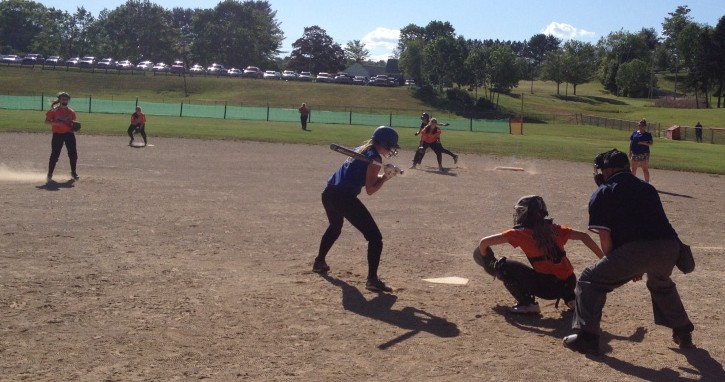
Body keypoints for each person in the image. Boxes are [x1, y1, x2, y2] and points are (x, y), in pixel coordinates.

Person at [563, 148, 694, 355]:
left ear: (609, 170)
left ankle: (586, 338)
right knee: (660, 284)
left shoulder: (604, 192)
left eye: (602, 170)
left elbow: (606, 238)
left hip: (638, 250)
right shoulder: (647, 188)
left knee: (589, 280)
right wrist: (631, 263)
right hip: (670, 247)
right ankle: (683, 331)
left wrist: (621, 264)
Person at [474, 195, 604, 314]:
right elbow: (584, 236)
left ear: (527, 213)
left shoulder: (521, 232)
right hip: (570, 283)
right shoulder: (555, 228)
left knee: (503, 266)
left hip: (548, 289)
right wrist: (604, 259)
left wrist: (487, 260)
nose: (518, 214)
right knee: (558, 268)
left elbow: (483, 243)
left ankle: (527, 304)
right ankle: (571, 298)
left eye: (520, 211)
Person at [312, 126, 401, 293]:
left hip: (329, 194)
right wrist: (386, 177)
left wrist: (384, 175)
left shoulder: (361, 149)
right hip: (343, 198)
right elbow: (370, 190)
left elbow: (367, 180)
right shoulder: (373, 159)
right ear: (385, 143)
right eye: (391, 145)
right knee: (375, 238)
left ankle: (319, 262)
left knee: (334, 227)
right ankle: (372, 280)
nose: (391, 149)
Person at [44, 91, 79, 182]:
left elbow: (73, 123)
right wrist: (56, 122)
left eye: (66, 99)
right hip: (57, 134)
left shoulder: (71, 112)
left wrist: (74, 127)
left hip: (69, 134)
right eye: (63, 99)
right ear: (59, 100)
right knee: (55, 155)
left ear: (68, 100)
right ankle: (50, 173)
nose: (65, 100)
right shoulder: (54, 110)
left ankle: (73, 172)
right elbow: (46, 121)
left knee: (73, 154)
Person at [629, 119, 653, 183]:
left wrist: (642, 143)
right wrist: (630, 151)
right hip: (635, 153)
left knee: (645, 169)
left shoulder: (648, 134)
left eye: (642, 125)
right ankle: (632, 183)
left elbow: (651, 144)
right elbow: (631, 142)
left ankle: (647, 183)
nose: (640, 127)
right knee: (633, 169)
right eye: (639, 125)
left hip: (644, 153)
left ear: (645, 126)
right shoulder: (634, 133)